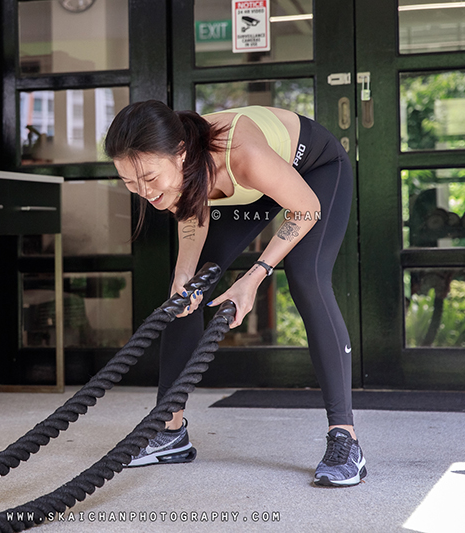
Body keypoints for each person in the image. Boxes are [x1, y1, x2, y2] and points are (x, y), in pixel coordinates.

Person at [104, 100, 364, 487]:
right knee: (188, 294)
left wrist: (255, 276)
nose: (145, 193)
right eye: (130, 184)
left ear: (180, 153)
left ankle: (346, 439)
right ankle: (169, 430)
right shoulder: (178, 167)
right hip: (254, 189)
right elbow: (192, 214)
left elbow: (306, 209)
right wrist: (183, 273)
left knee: (307, 275)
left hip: (314, 173)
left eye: (149, 178)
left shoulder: (242, 154)